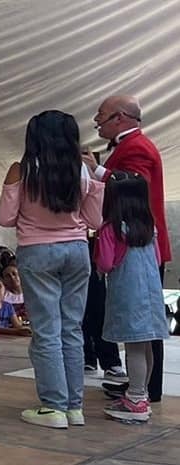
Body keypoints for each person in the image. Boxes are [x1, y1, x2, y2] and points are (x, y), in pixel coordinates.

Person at [0, 110, 104, 429]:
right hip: (77, 251)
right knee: (71, 329)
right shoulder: (81, 169)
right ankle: (75, 407)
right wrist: (95, 182)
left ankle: (53, 406)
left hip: (37, 251)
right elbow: (96, 220)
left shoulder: (21, 169)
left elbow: (4, 217)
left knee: (46, 330)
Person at [87, 96, 169, 405]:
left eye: (101, 115)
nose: (96, 121)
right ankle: (142, 386)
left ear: (119, 118)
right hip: (136, 243)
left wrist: (98, 172)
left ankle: (145, 390)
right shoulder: (130, 146)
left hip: (136, 246)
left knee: (141, 324)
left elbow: (135, 186)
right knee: (143, 323)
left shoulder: (137, 147)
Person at [94, 172, 169, 423]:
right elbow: (156, 260)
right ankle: (141, 394)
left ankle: (135, 399)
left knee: (134, 347)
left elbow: (105, 263)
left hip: (128, 296)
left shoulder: (111, 229)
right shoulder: (150, 228)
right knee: (146, 345)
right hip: (151, 295)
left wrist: (99, 267)